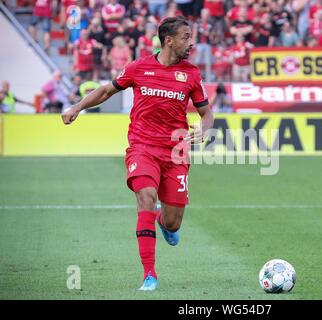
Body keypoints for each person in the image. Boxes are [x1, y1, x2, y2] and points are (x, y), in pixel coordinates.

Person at [61, 16, 214, 291]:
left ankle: (162, 221)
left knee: (173, 222)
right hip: (142, 147)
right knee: (146, 197)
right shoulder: (138, 67)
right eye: (186, 37)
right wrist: (77, 107)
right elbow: (107, 90)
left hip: (176, 152)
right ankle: (149, 275)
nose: (192, 43)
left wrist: (204, 128)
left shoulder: (191, 74)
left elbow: (206, 112)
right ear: (169, 40)